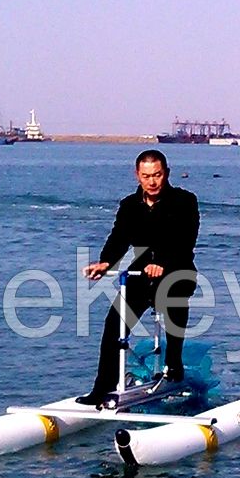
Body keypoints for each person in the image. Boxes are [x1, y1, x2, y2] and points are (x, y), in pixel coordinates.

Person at [77, 149, 199, 406]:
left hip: (178, 268)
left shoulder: (185, 201)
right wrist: (105, 262)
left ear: (166, 173)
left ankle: (173, 365)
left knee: (173, 299)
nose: (152, 182)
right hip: (141, 272)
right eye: (146, 176)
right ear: (137, 176)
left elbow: (185, 239)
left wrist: (162, 263)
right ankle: (103, 387)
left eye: (157, 175)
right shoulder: (129, 206)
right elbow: (119, 238)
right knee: (114, 323)